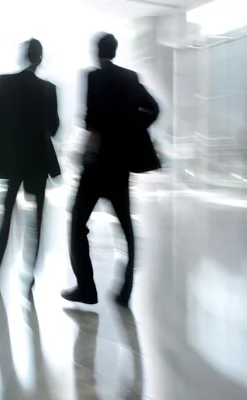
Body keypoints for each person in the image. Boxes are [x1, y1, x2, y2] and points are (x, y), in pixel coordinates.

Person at [61, 33, 159, 308]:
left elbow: (90, 119)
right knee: (126, 228)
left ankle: (86, 287)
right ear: (115, 51)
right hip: (121, 164)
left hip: (96, 164)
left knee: (78, 223)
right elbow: (153, 109)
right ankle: (125, 289)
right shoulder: (131, 78)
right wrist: (132, 128)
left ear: (97, 52)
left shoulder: (93, 77)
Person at [0, 38, 60, 290]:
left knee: (6, 215)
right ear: (40, 58)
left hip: (11, 159)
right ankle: (29, 276)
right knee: (37, 220)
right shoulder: (48, 89)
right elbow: (53, 129)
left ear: (23, 56)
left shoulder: (5, 83)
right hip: (39, 162)